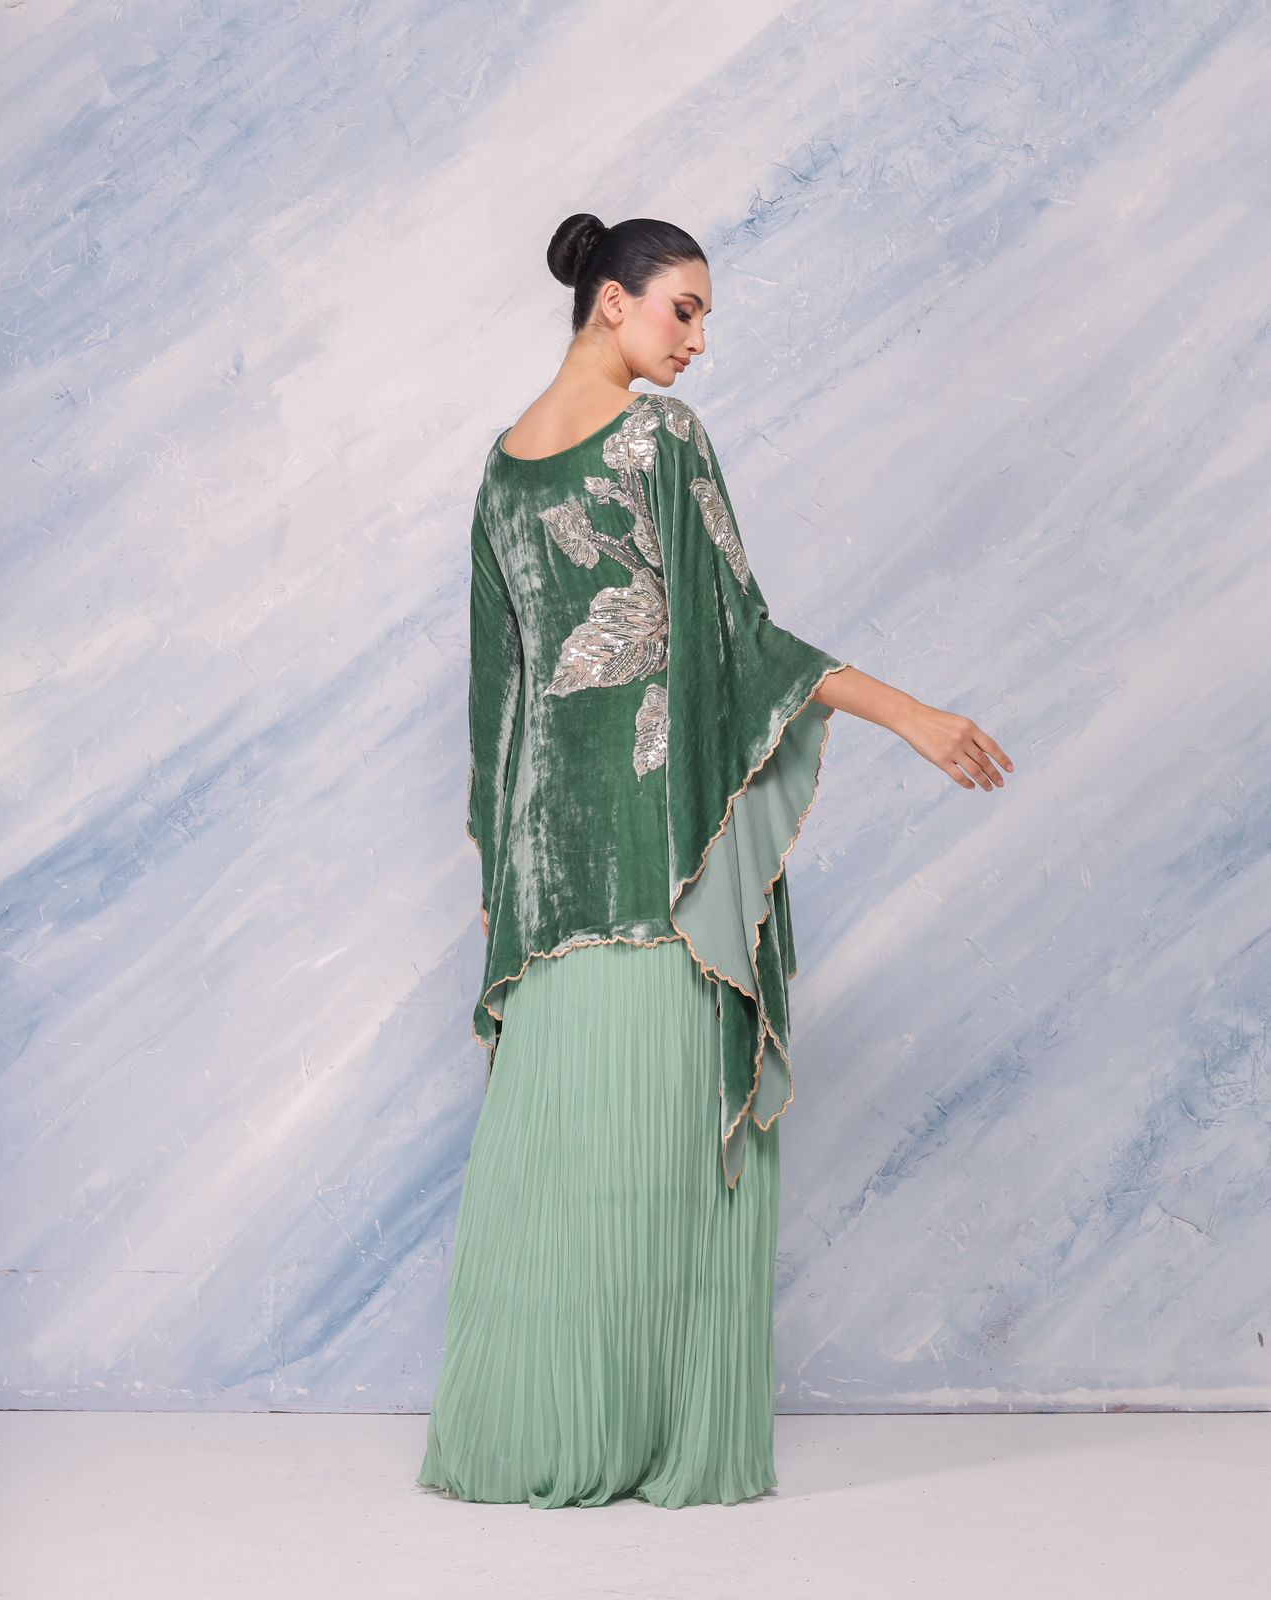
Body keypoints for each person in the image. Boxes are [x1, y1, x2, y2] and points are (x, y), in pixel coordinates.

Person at [417, 214, 1013, 1510]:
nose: (696, 340)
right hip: (658, 858)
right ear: (611, 302)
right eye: (681, 308)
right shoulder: (656, 440)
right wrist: (909, 712)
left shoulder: (500, 472)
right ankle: (650, 1437)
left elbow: (499, 707)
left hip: (551, 873)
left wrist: (509, 883)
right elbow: (741, 641)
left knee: (568, 1152)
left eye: (703, 316)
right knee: (665, 1150)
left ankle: (529, 1437)